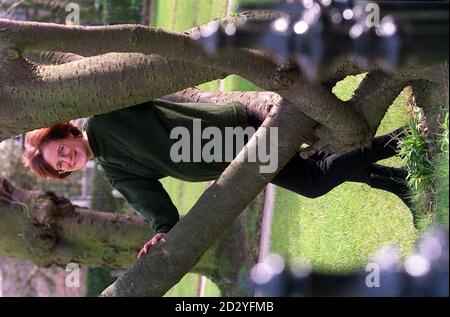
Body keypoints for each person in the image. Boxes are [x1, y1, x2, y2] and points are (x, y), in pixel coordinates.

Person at [22, 98, 411, 259]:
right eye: (61, 167)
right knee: (315, 168)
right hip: (235, 158)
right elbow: (153, 203)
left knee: (312, 181)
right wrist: (161, 231)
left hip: (231, 133)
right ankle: (400, 178)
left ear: (67, 133)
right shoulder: (112, 170)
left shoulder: (106, 114)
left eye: (61, 151)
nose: (67, 160)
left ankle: (405, 139)